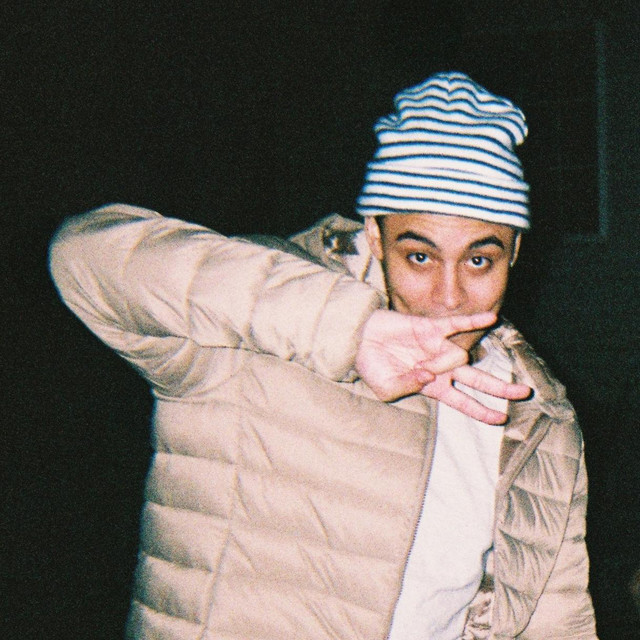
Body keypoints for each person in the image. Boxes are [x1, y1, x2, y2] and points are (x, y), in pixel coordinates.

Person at [49, 72, 598, 639]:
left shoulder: (538, 415)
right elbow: (82, 256)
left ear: (515, 252)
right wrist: (346, 328)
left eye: (479, 260)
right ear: (375, 236)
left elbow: (556, 619)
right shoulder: (259, 320)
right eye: (419, 256)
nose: (448, 296)